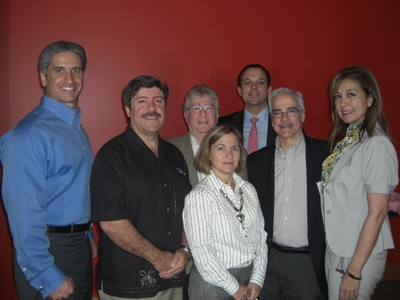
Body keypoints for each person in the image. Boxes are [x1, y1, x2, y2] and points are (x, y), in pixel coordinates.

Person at [0, 41, 96, 300]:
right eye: (59, 70)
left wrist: (86, 233)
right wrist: (46, 275)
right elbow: (23, 216)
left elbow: (75, 186)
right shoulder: (30, 135)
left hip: (76, 247)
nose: (69, 79)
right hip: (47, 252)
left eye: (76, 70)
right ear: (43, 76)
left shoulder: (74, 127)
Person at [90, 75, 192, 299]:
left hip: (175, 278)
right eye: (142, 101)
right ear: (128, 109)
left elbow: (189, 209)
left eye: (158, 101)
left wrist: (185, 250)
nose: (152, 108)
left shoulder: (175, 154)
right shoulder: (111, 157)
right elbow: (111, 224)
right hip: (129, 286)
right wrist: (159, 259)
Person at [320, 66, 398, 300]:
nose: (343, 102)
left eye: (351, 94)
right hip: (338, 245)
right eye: (338, 96)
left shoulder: (376, 144)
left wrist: (354, 272)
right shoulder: (349, 140)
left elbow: (378, 212)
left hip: (357, 252)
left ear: (370, 98)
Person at [247, 87, 328, 299]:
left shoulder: (326, 156)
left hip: (307, 263)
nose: (284, 118)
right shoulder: (255, 162)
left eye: (291, 111)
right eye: (277, 112)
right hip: (266, 259)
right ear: (271, 118)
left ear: (302, 115)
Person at [183, 125, 268, 300]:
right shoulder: (199, 197)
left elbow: (260, 237)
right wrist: (234, 287)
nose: (229, 155)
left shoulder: (249, 190)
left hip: (249, 280)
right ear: (208, 153)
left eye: (234, 148)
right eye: (221, 148)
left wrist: (257, 278)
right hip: (212, 286)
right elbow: (202, 252)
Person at [169, 84, 247, 187]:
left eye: (208, 107)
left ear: (217, 115)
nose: (203, 114)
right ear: (186, 116)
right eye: (196, 108)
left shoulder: (237, 151)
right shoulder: (170, 150)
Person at [218, 64, 277, 153]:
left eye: (260, 82)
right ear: (240, 91)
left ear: (269, 90)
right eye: (247, 83)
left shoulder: (282, 123)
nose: (254, 87)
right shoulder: (222, 125)